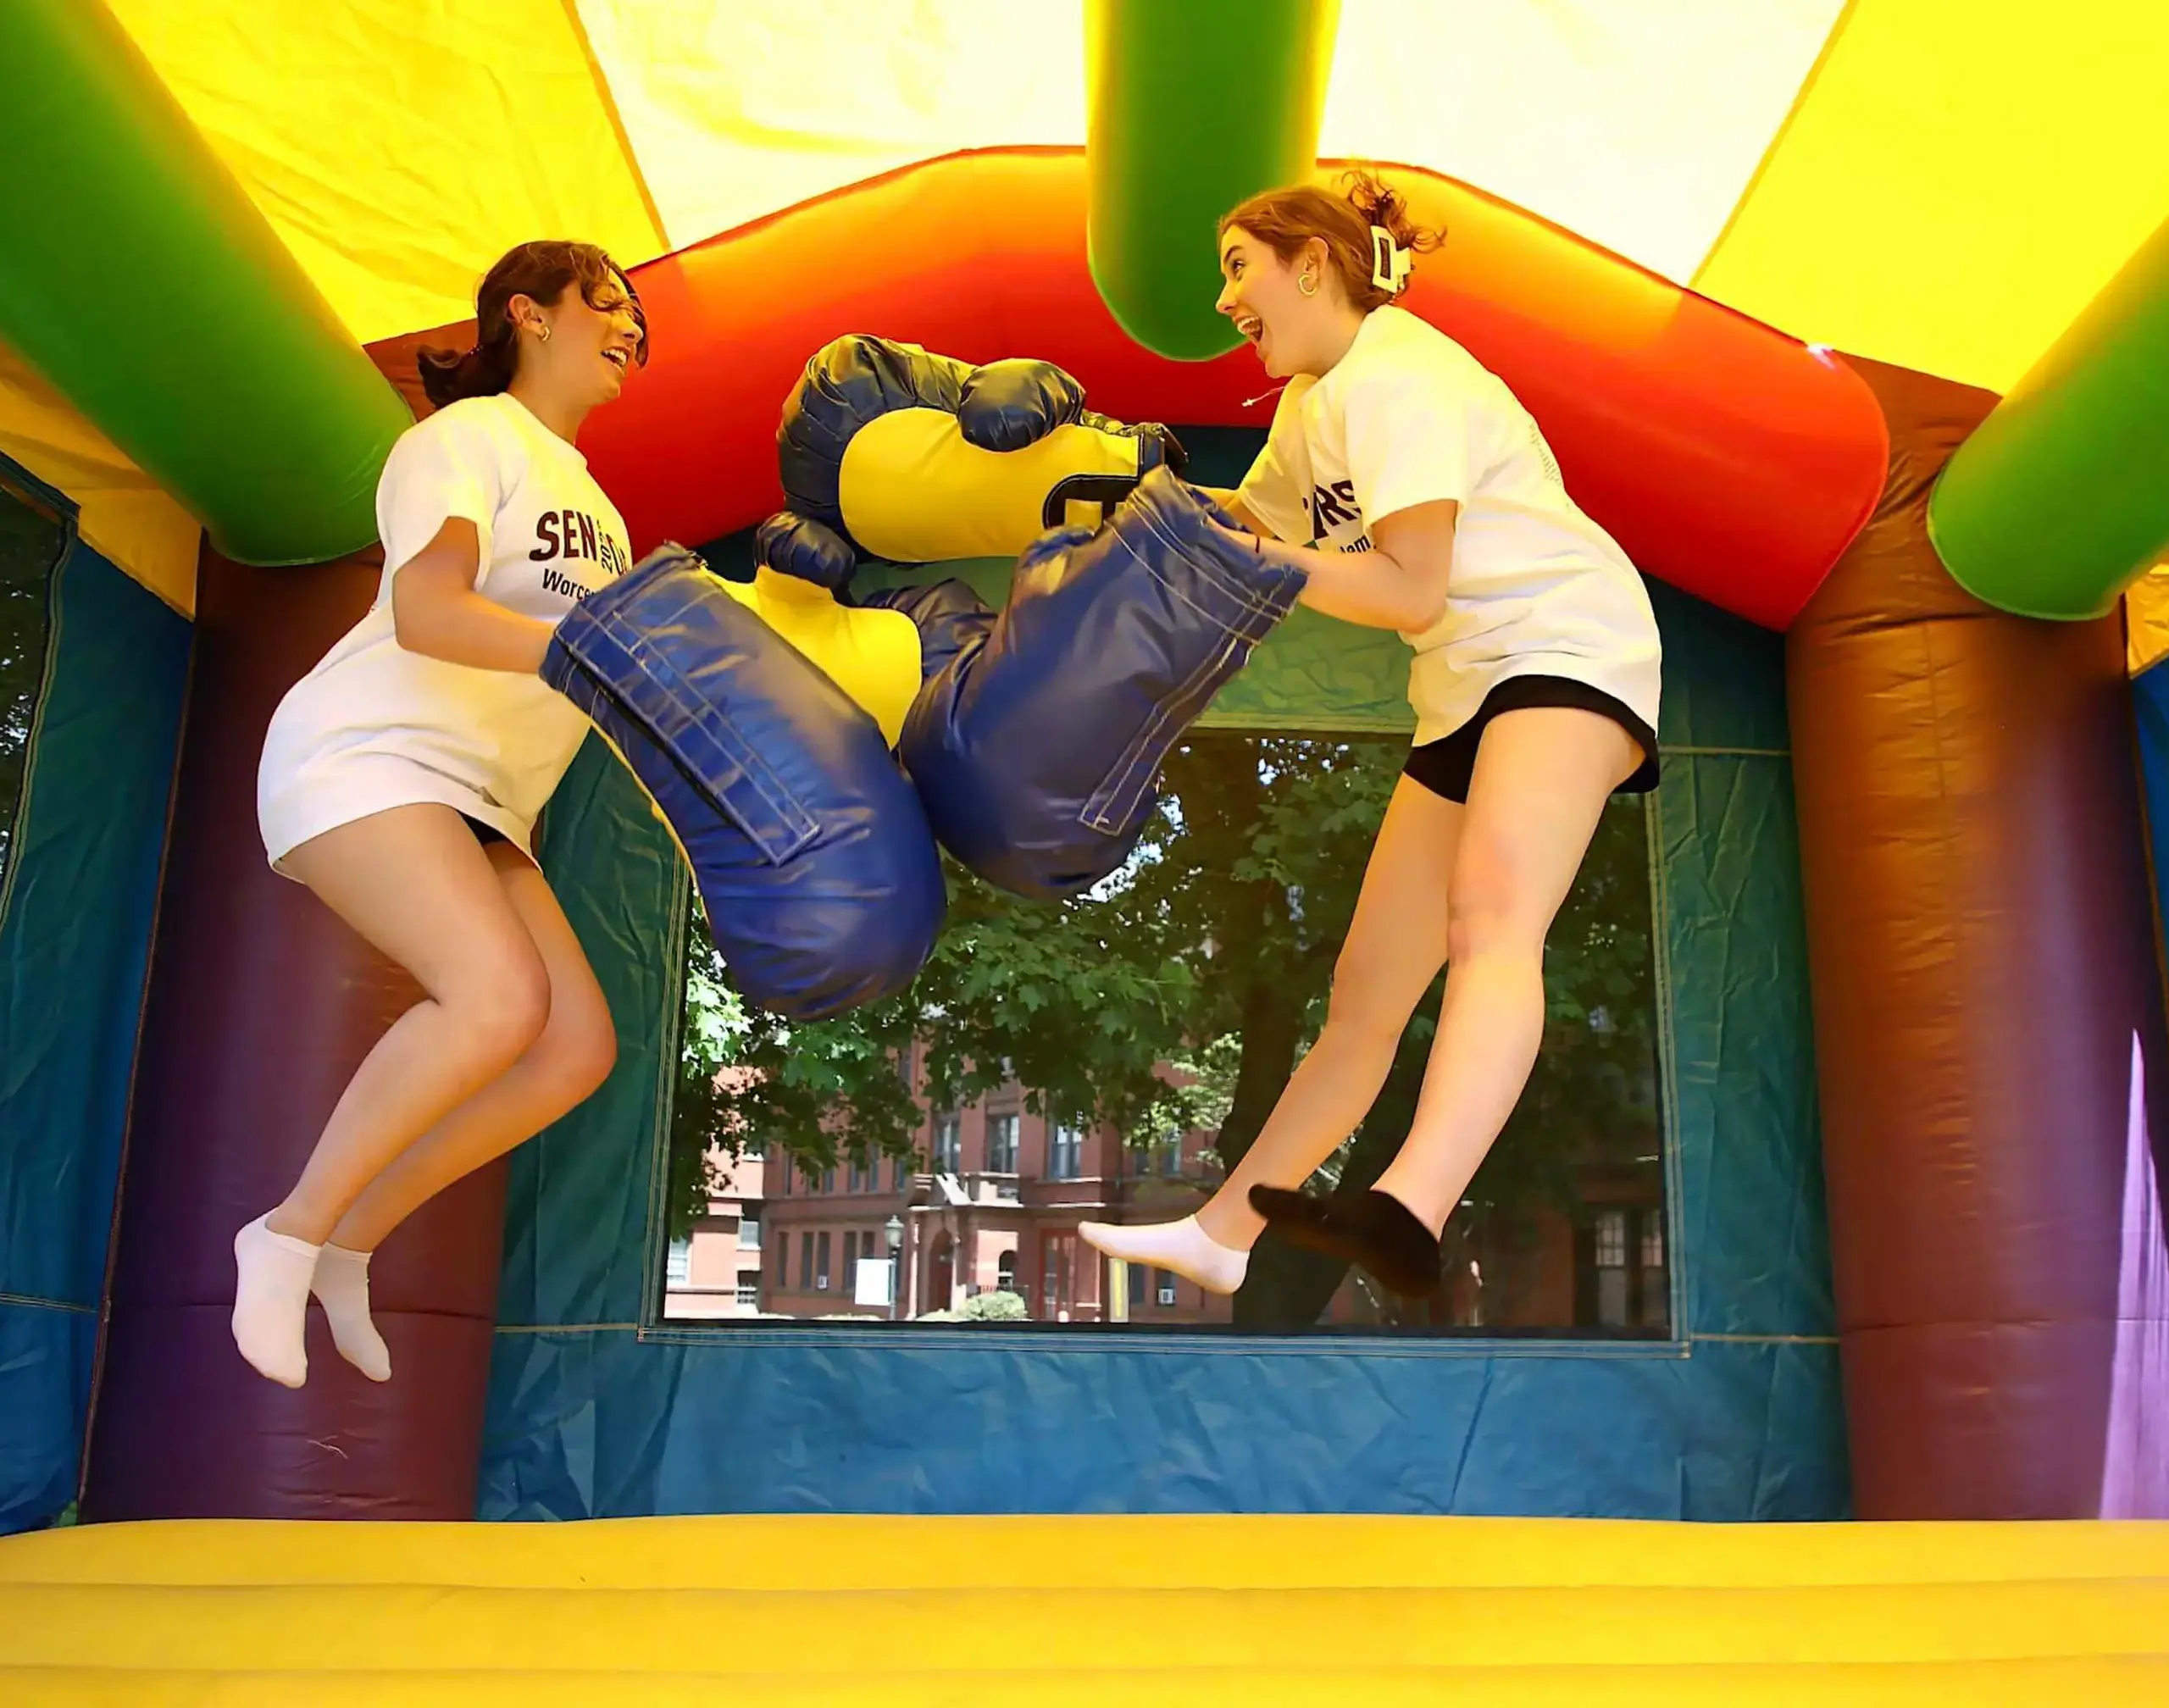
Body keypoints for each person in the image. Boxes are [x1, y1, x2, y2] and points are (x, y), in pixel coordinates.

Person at [1081, 172, 1661, 1301]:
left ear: (1312, 264)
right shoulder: (1314, 403)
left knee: (1493, 913)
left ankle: (1412, 1207)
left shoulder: (1399, 377)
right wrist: (1127, 499)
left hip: (1565, 647)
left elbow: (1405, 588)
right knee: (1365, 988)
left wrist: (1257, 558)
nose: (1222, 301)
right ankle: (1223, 1232)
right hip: (1465, 686)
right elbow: (1251, 526)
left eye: (1238, 266)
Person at [236, 241, 649, 1387]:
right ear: (529, 312)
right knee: (497, 997)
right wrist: (598, 652)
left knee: (573, 1048)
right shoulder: (460, 441)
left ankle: (349, 1241)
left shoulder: (603, 514)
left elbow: (595, 676)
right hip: (369, 756)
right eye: (606, 304)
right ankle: (284, 1232)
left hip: (481, 801)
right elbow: (430, 611)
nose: (631, 331)